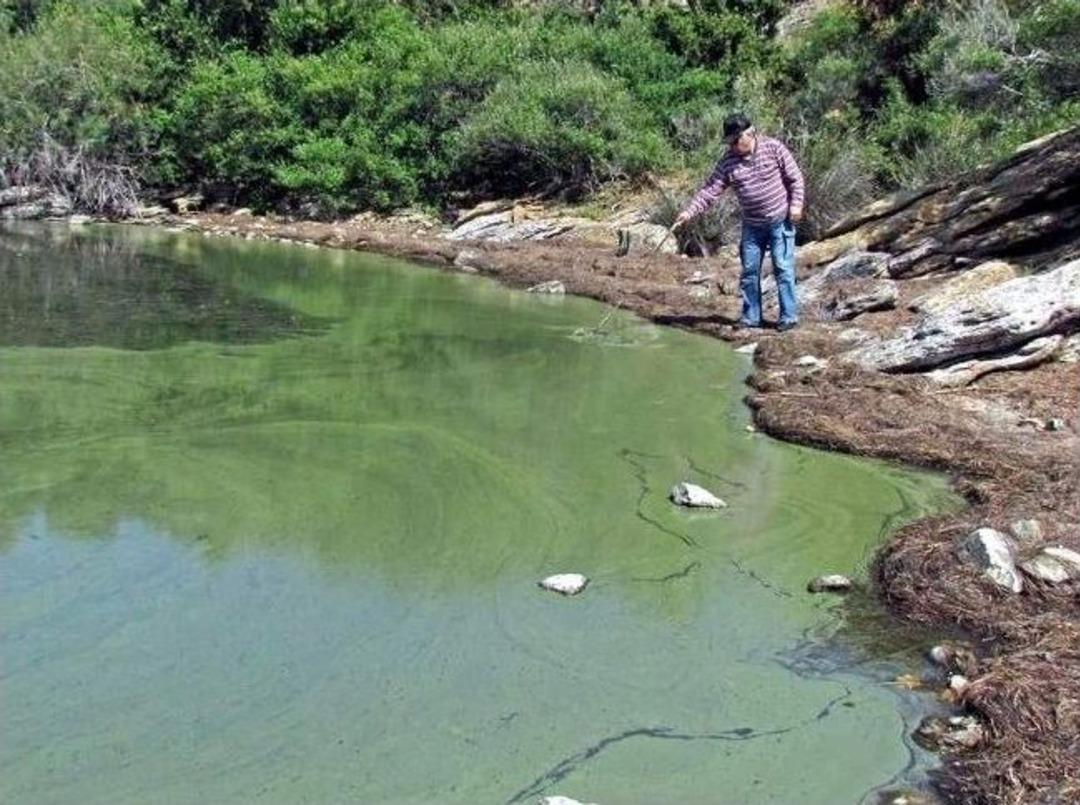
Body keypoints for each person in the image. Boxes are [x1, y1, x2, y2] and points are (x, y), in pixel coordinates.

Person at [672, 113, 805, 331]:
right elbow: (709, 191)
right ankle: (752, 318)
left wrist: (796, 205)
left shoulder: (774, 148)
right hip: (752, 226)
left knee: (783, 268)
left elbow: (795, 178)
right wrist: (688, 213)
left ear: (749, 133)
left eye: (736, 140)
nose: (733, 145)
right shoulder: (728, 162)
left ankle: (788, 318)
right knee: (750, 271)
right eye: (730, 142)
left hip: (780, 220)